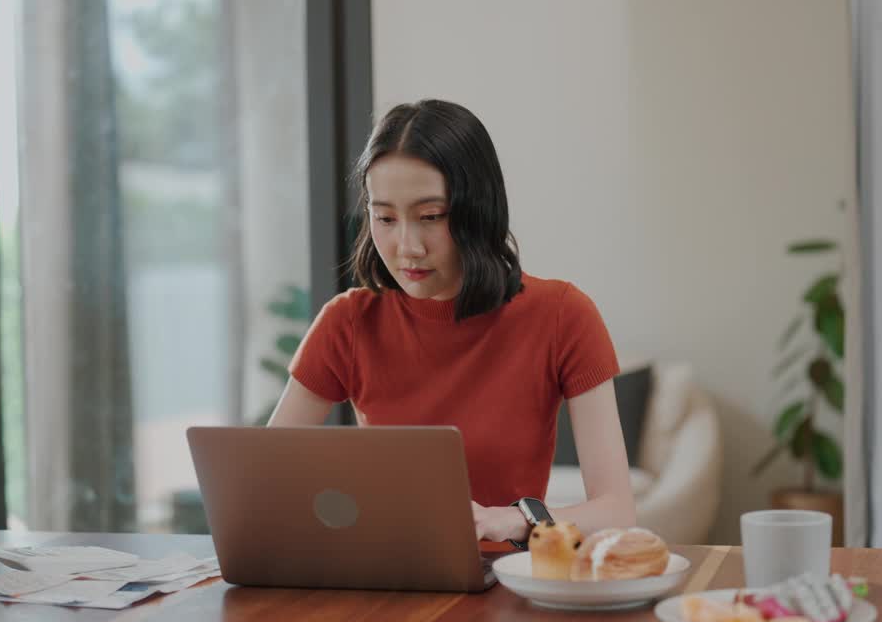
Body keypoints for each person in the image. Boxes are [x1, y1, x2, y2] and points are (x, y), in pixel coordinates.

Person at [269, 98, 635, 545]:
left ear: (478, 211)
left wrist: (516, 519)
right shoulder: (347, 321)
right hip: (388, 575)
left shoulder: (562, 314)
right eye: (384, 218)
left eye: (430, 218)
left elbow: (617, 511)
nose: (407, 246)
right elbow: (266, 484)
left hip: (506, 578)